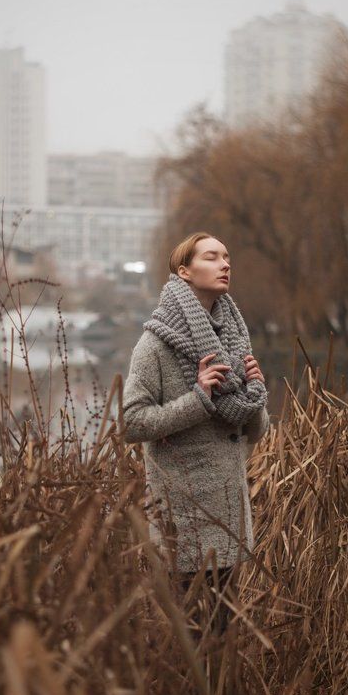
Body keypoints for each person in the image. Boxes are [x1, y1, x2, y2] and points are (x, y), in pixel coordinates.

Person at [122, 232, 270, 635]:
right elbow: (132, 423)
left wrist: (255, 394)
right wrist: (199, 397)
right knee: (190, 637)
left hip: (227, 513)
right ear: (184, 271)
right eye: (212, 257)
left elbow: (253, 432)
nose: (225, 264)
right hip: (183, 520)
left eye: (227, 256)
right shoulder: (155, 343)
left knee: (222, 638)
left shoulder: (234, 337)